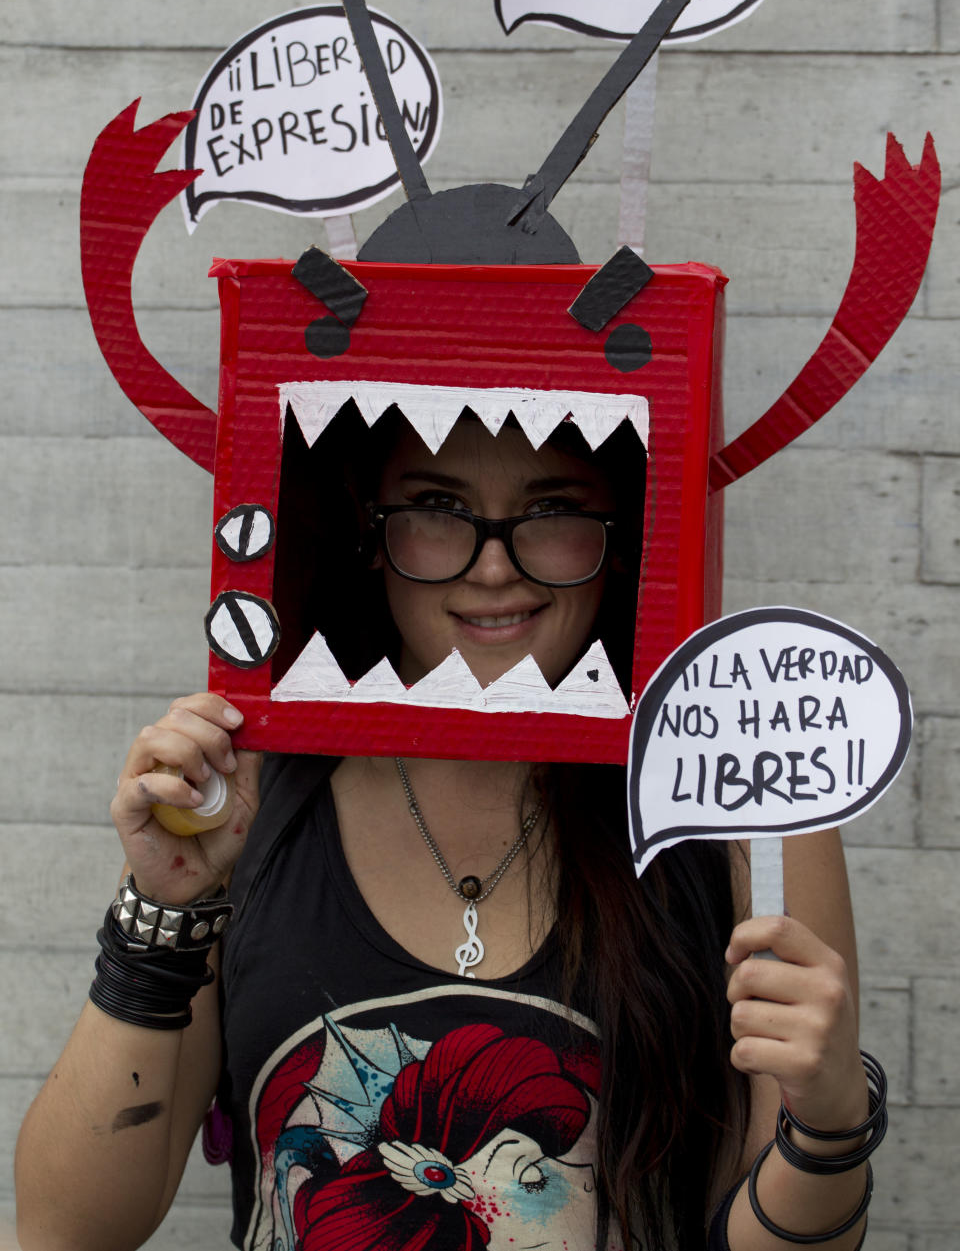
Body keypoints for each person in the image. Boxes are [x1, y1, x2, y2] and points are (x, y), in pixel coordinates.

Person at [15, 409, 882, 1251]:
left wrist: (833, 1119)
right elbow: (66, 1231)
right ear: (370, 525)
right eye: (438, 507)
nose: (494, 567)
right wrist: (158, 916)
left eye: (553, 510)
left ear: (623, 535)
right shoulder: (250, 793)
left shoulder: (745, 814)